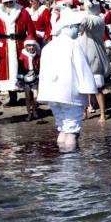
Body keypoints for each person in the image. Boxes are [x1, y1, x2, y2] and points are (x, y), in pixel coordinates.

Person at [37, 11, 98, 151]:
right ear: (69, 27)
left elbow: (43, 73)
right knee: (72, 130)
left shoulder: (48, 47)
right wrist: (91, 93)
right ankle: (71, 164)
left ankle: (63, 160)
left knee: (63, 128)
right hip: (70, 94)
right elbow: (84, 71)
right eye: (77, 27)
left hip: (52, 95)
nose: (79, 31)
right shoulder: (73, 45)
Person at [0, 0, 36, 106]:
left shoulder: (23, 12)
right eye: (6, 2)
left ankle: (29, 98)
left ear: (14, 1)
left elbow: (31, 29)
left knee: (24, 70)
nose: (9, 4)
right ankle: (12, 98)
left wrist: (31, 44)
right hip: (4, 46)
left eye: (11, 2)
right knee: (6, 72)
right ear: (3, 3)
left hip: (20, 44)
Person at [78, 0, 110, 123]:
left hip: (95, 56)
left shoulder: (99, 20)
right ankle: (84, 112)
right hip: (83, 54)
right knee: (83, 87)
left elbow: (86, 22)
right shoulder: (86, 17)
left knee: (98, 87)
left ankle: (103, 113)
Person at [17, 38, 41, 121]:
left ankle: (34, 110)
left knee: (35, 96)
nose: (31, 47)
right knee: (27, 97)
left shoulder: (37, 56)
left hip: (35, 78)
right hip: (26, 78)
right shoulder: (22, 55)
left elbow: (39, 67)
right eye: (29, 46)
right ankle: (29, 114)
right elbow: (20, 67)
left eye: (33, 46)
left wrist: (39, 75)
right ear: (26, 46)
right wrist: (20, 78)